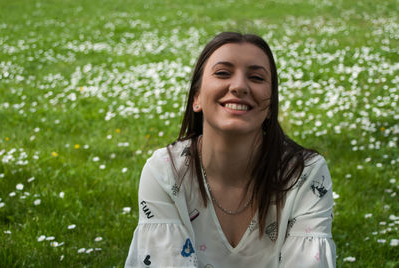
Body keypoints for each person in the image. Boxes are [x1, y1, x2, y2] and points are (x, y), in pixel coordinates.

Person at [125, 32, 336, 268]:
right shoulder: (166, 172)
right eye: (223, 73)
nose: (239, 86)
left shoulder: (304, 174)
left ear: (270, 105)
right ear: (197, 98)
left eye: (256, 77)